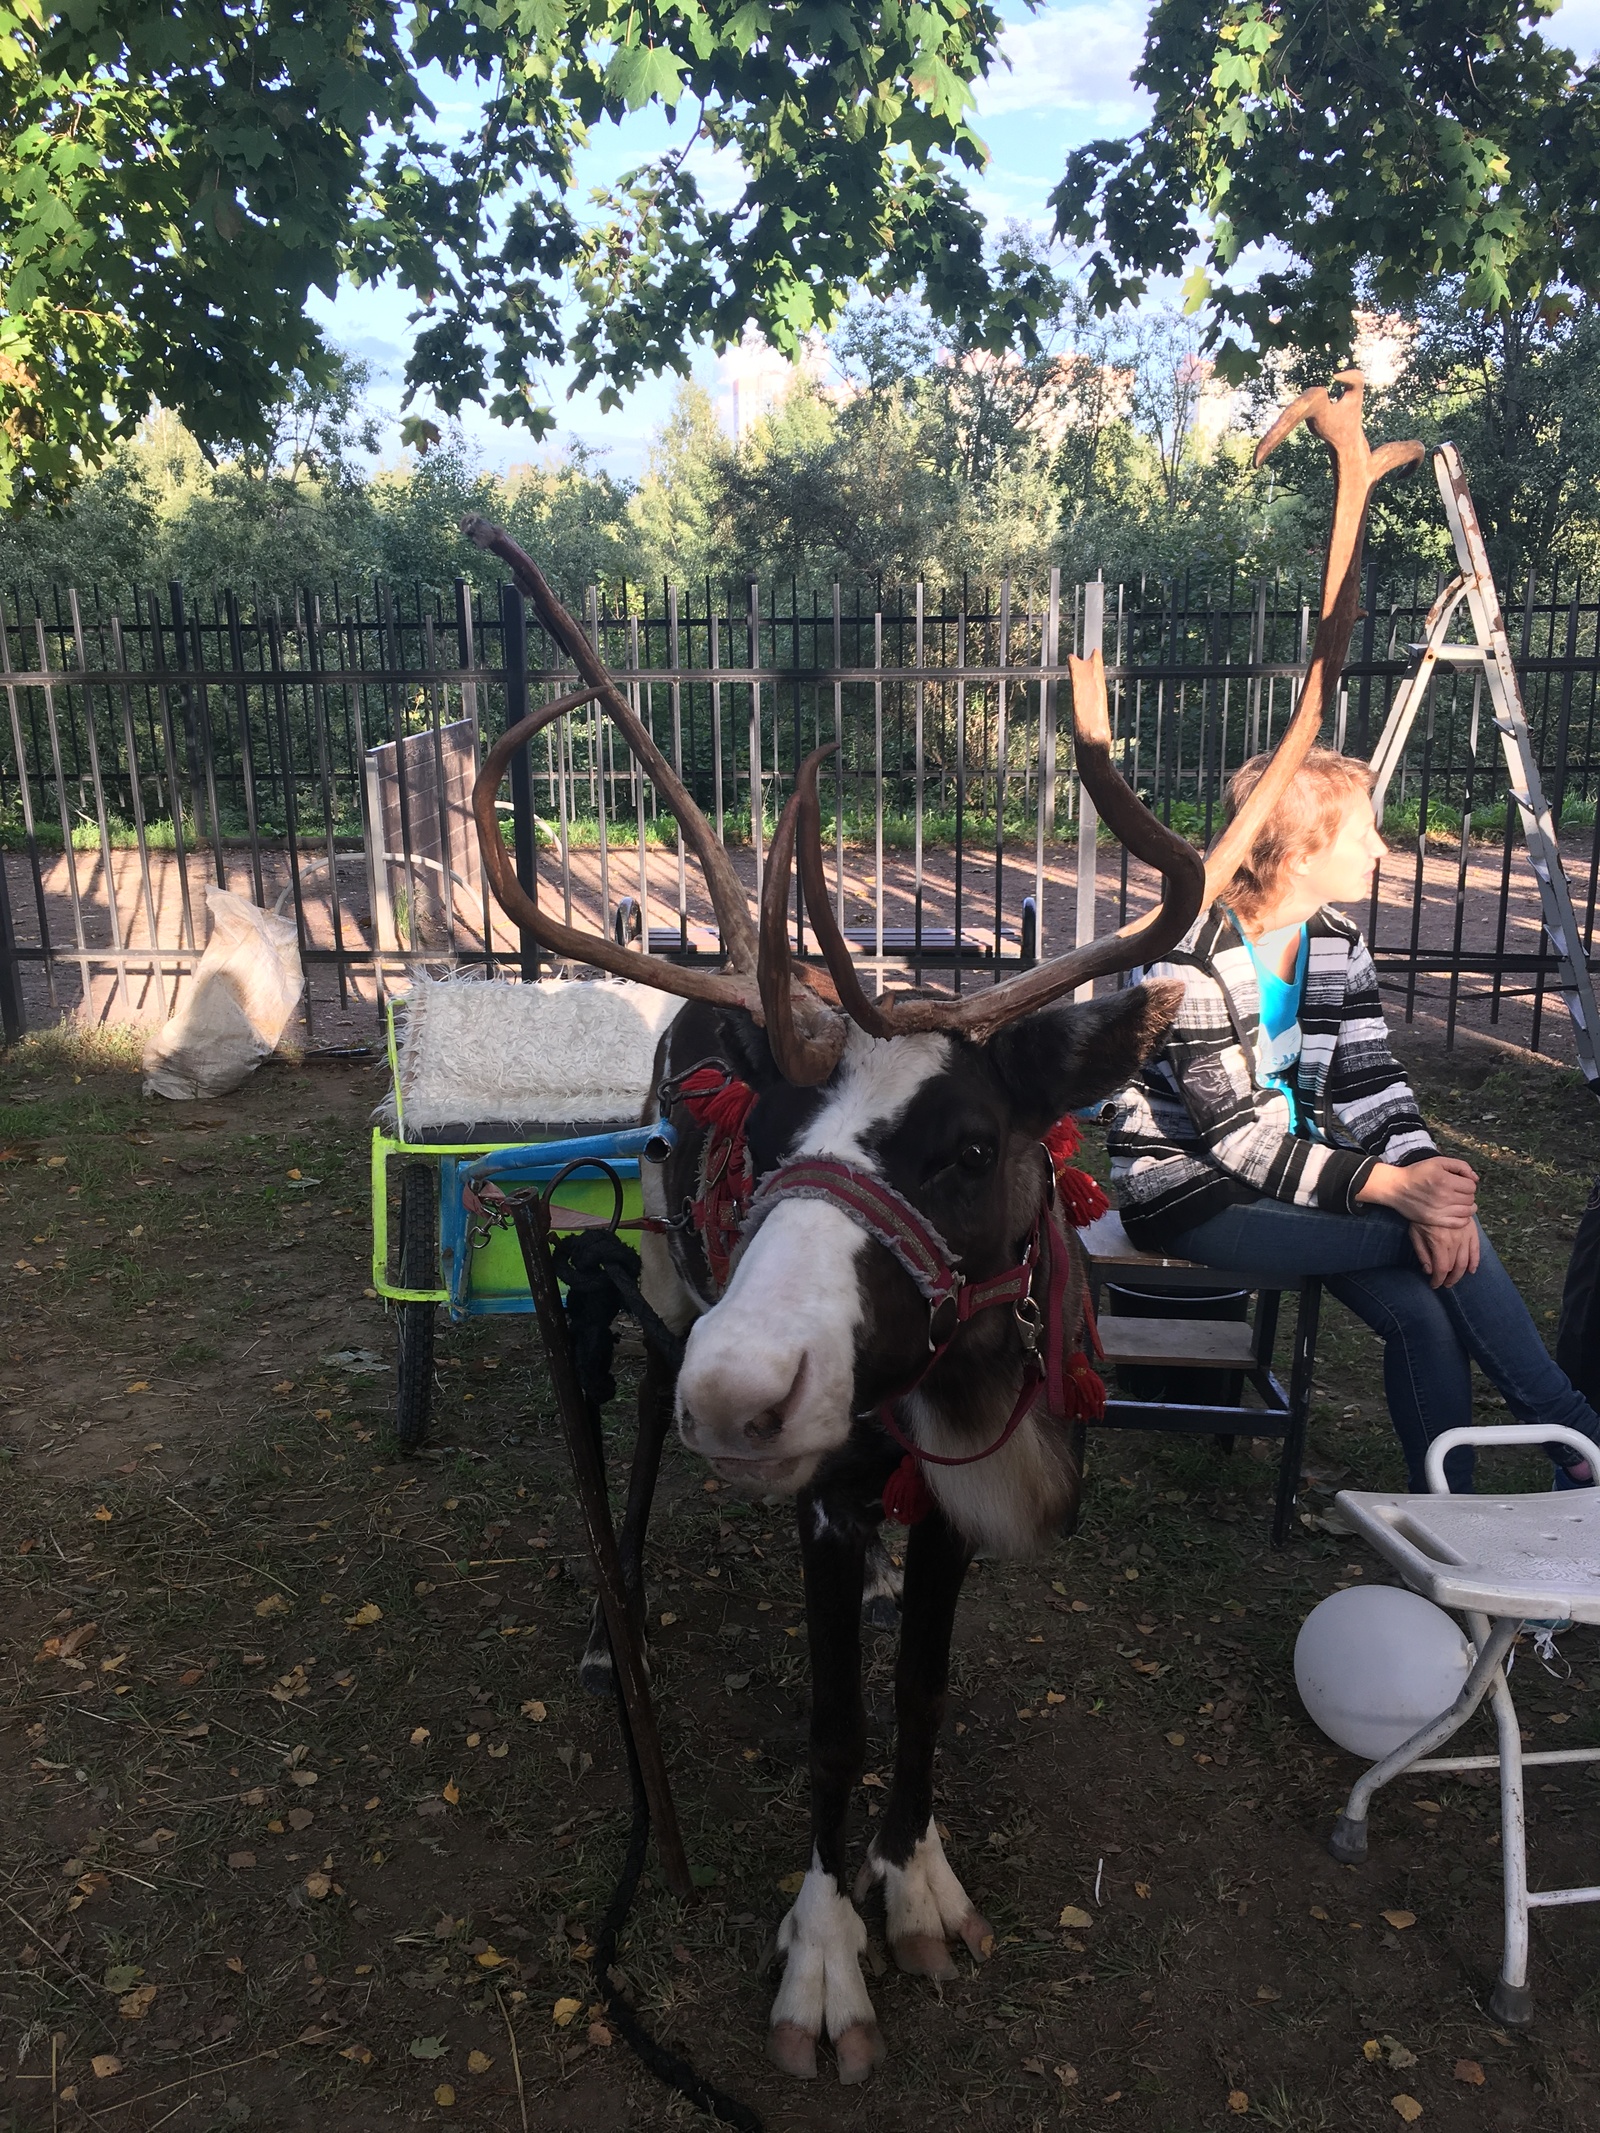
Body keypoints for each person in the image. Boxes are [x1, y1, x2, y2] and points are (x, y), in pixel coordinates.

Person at [1106, 746, 1598, 1494]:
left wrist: (1425, 1174)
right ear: (1301, 855)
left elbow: (1370, 1080)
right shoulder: (1186, 956)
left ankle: (1448, 1512)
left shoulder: (1334, 938)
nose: (1382, 848)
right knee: (1418, 1230)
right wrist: (1397, 1192)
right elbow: (1233, 1135)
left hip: (1293, 1179)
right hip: (1187, 1191)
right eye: (1363, 833)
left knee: (1423, 1312)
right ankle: (1578, 1436)